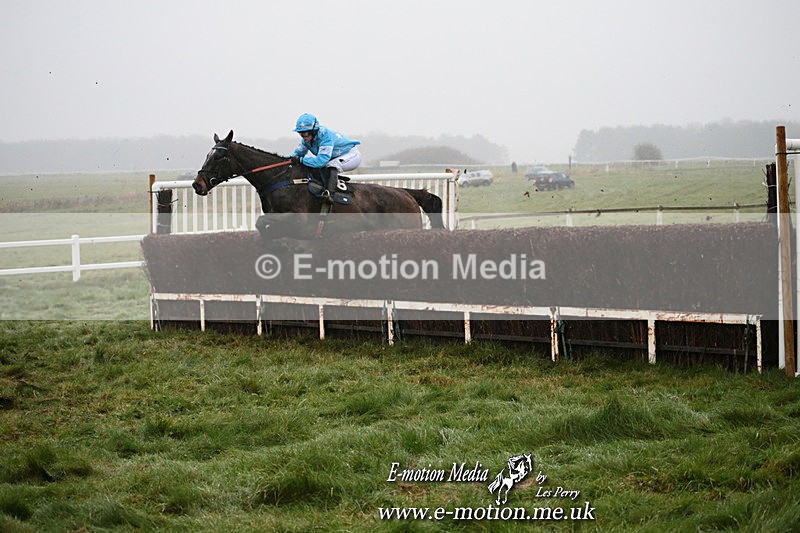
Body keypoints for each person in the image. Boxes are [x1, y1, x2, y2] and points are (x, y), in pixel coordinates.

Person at [290, 113, 361, 202]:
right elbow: (296, 155)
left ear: (314, 131)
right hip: (334, 157)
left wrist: (301, 160)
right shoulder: (306, 140)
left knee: (331, 165)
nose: (303, 136)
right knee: (322, 166)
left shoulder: (325, 137)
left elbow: (320, 161)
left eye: (305, 133)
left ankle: (330, 195)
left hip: (351, 155)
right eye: (300, 133)